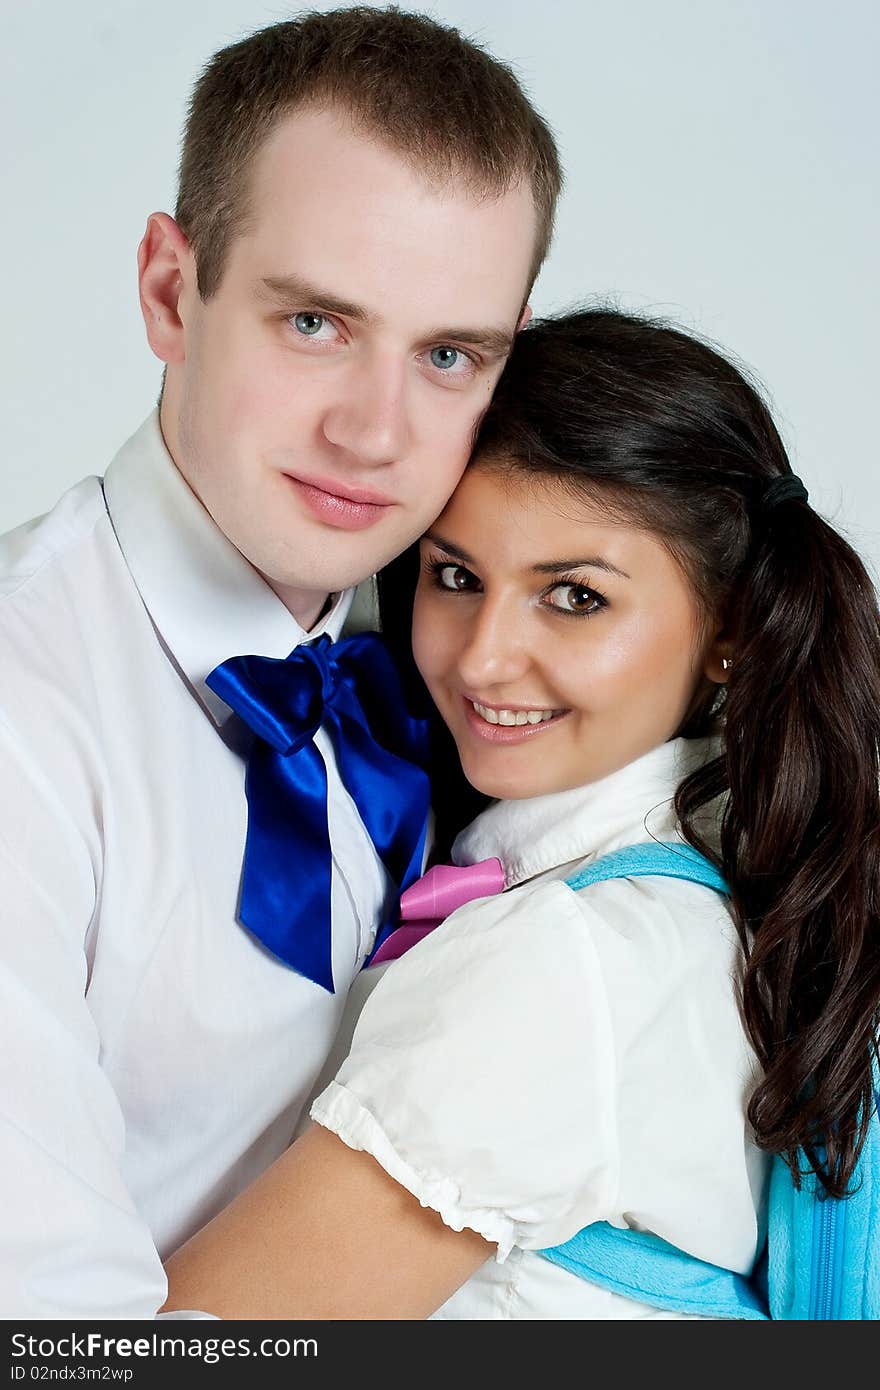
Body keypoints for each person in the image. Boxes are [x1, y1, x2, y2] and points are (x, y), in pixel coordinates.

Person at [0, 8, 562, 1319]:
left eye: (447, 355)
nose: (376, 432)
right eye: (314, 321)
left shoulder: (464, 652)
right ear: (167, 291)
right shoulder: (24, 717)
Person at [161, 307, 880, 1320]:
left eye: (574, 597)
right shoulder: (684, 913)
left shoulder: (558, 959)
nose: (481, 655)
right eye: (454, 576)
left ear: (726, 633)